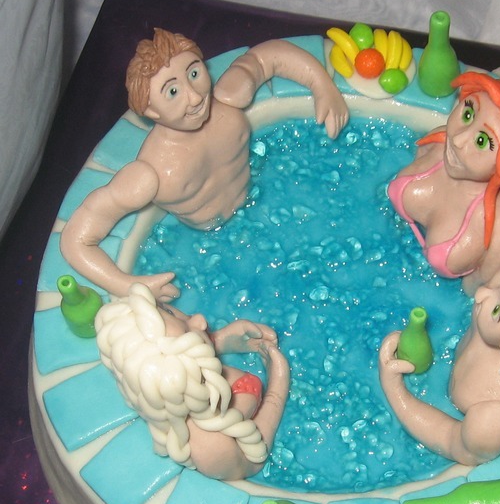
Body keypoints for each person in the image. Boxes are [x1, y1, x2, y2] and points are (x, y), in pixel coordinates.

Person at [61, 28, 349, 300]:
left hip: (257, 197)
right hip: (209, 242)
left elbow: (267, 58)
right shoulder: (150, 175)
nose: (195, 96)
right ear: (150, 110)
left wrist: (322, 85)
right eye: (172, 92)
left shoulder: (229, 99)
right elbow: (76, 240)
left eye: (194, 74)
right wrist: (126, 285)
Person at [378, 244, 500, 466]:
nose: (483, 293)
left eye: (497, 310)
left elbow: (451, 441)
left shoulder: (493, 415)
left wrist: (394, 388)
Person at [94, 282, 290, 480]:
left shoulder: (153, 373)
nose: (200, 320)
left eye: (167, 310)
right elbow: (251, 462)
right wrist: (278, 384)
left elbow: (173, 351)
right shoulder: (209, 446)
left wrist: (222, 339)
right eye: (187, 333)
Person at [388, 72, 500, 291]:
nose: (459, 139)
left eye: (481, 141)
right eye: (468, 114)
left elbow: (475, 292)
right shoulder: (438, 142)